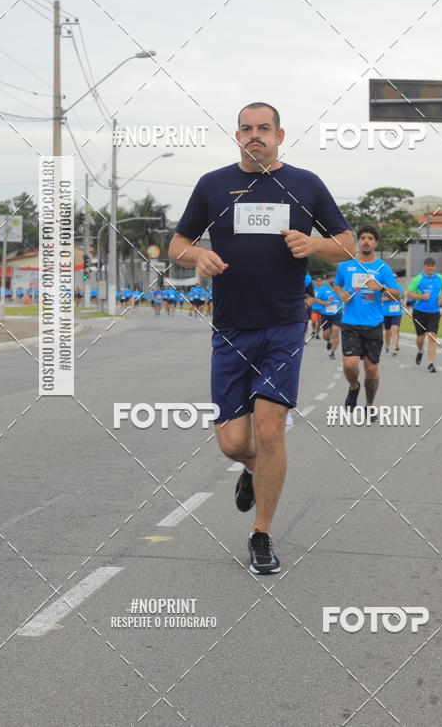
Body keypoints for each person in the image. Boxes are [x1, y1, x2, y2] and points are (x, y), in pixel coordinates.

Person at [169, 101, 354, 574]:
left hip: (284, 324)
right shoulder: (212, 185)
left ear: (280, 134)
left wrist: (314, 244)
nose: (255, 136)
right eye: (247, 129)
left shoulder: (306, 183)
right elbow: (177, 245)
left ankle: (262, 535)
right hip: (231, 327)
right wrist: (198, 258)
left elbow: (346, 245)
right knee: (233, 443)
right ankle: (253, 470)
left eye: (264, 128)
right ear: (237, 136)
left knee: (270, 430)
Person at [332, 225, 401, 418]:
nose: (366, 241)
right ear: (358, 241)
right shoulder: (346, 265)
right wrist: (341, 295)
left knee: (371, 370)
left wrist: (381, 288)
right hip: (350, 323)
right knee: (349, 365)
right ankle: (353, 387)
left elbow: (397, 295)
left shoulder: (382, 268)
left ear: (376, 243)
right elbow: (337, 285)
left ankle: (369, 405)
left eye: (370, 238)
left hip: (373, 324)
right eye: (363, 238)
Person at [407, 258, 442, 373]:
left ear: (435, 267)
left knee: (432, 336)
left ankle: (431, 363)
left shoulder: (440, 278)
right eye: (428, 266)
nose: (430, 268)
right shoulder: (418, 279)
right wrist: (420, 297)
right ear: (424, 267)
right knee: (420, 338)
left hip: (434, 313)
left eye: (433, 266)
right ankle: (420, 351)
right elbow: (409, 293)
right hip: (419, 312)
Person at [313, 272, 343, 359]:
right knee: (325, 336)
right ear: (329, 279)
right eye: (331, 278)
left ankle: (332, 352)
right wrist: (324, 303)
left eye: (335, 278)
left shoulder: (341, 288)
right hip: (325, 314)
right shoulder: (323, 289)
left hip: (337, 313)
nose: (333, 280)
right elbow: (317, 299)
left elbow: (346, 297)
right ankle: (329, 340)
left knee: (336, 331)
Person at [382, 273, 403, 355]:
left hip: (397, 312)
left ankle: (394, 348)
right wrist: (388, 298)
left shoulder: (399, 288)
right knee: (387, 331)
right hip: (386, 312)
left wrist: (403, 301)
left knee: (394, 329)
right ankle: (387, 345)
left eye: (395, 278)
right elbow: (381, 299)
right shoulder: (384, 288)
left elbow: (400, 297)